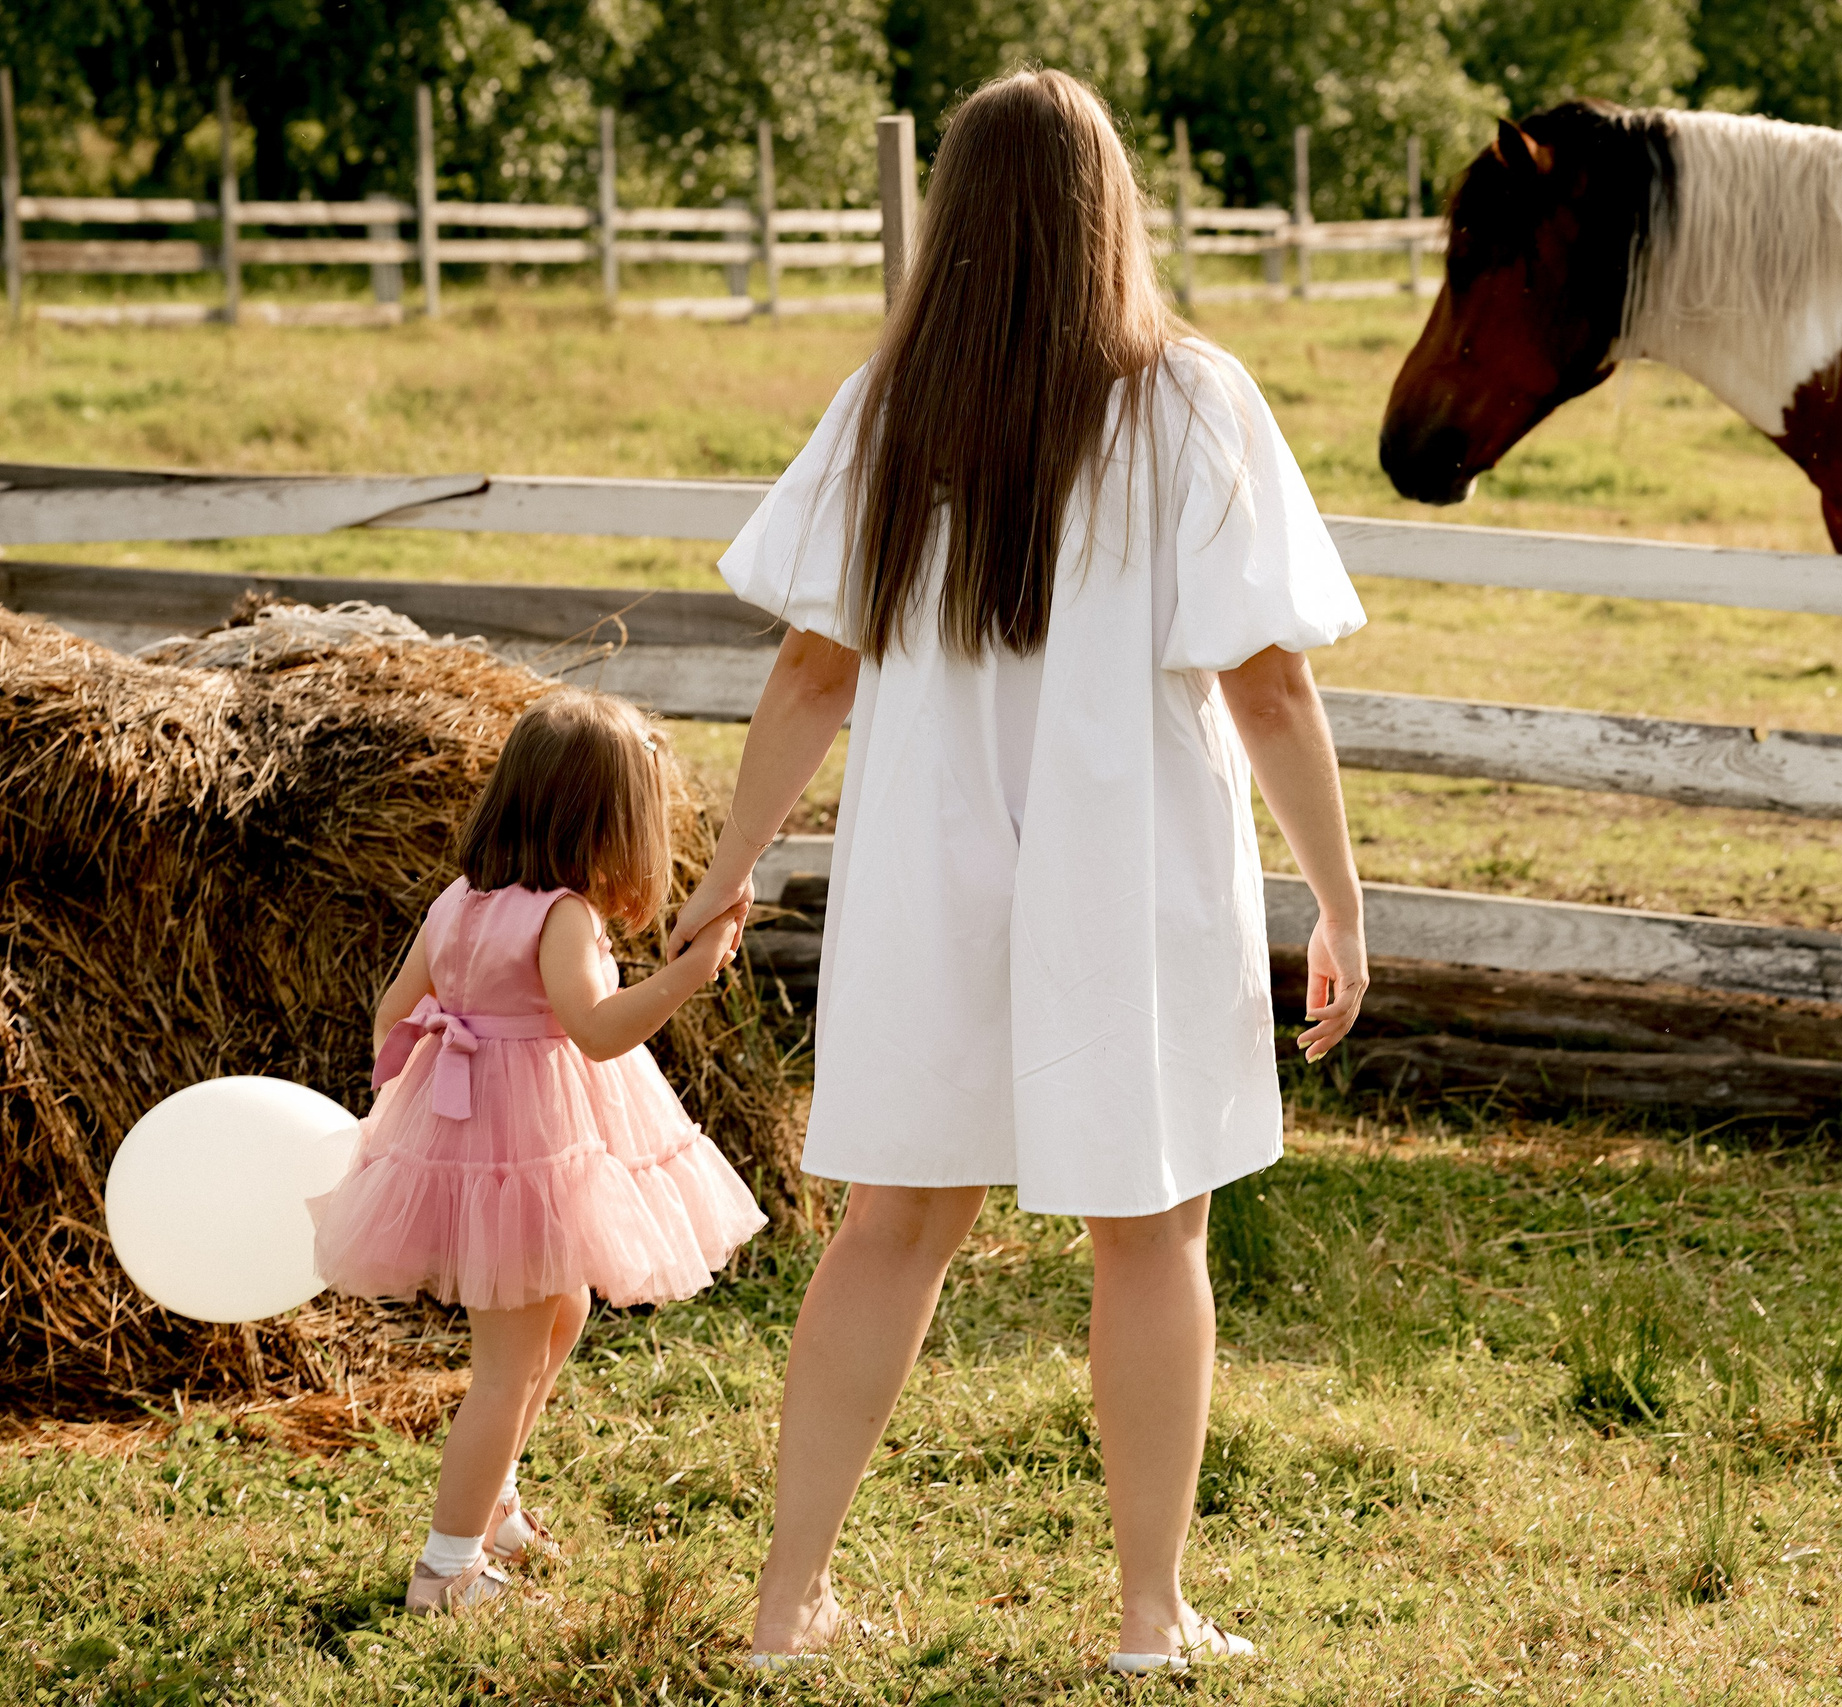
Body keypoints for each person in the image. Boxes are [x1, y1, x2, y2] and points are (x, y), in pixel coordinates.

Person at [670, 68, 1370, 1674]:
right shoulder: (1194, 400)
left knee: (892, 1221)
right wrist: (1337, 893)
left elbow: (810, 672)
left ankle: (788, 1604)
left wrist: (731, 864)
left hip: (930, 864)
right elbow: (1269, 682)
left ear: (955, 218)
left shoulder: (890, 405)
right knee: (1151, 1228)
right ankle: (1149, 1615)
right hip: (1129, 883)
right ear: (1109, 208)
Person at [309, 688, 770, 1614]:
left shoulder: (458, 900)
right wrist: (686, 974)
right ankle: (447, 1569)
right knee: (509, 1363)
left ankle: (497, 1503)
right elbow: (597, 1030)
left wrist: (435, 1096)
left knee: (563, 1310)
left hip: (489, 1142)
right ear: (602, 821)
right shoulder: (562, 913)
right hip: (525, 1150)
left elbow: (392, 1012)